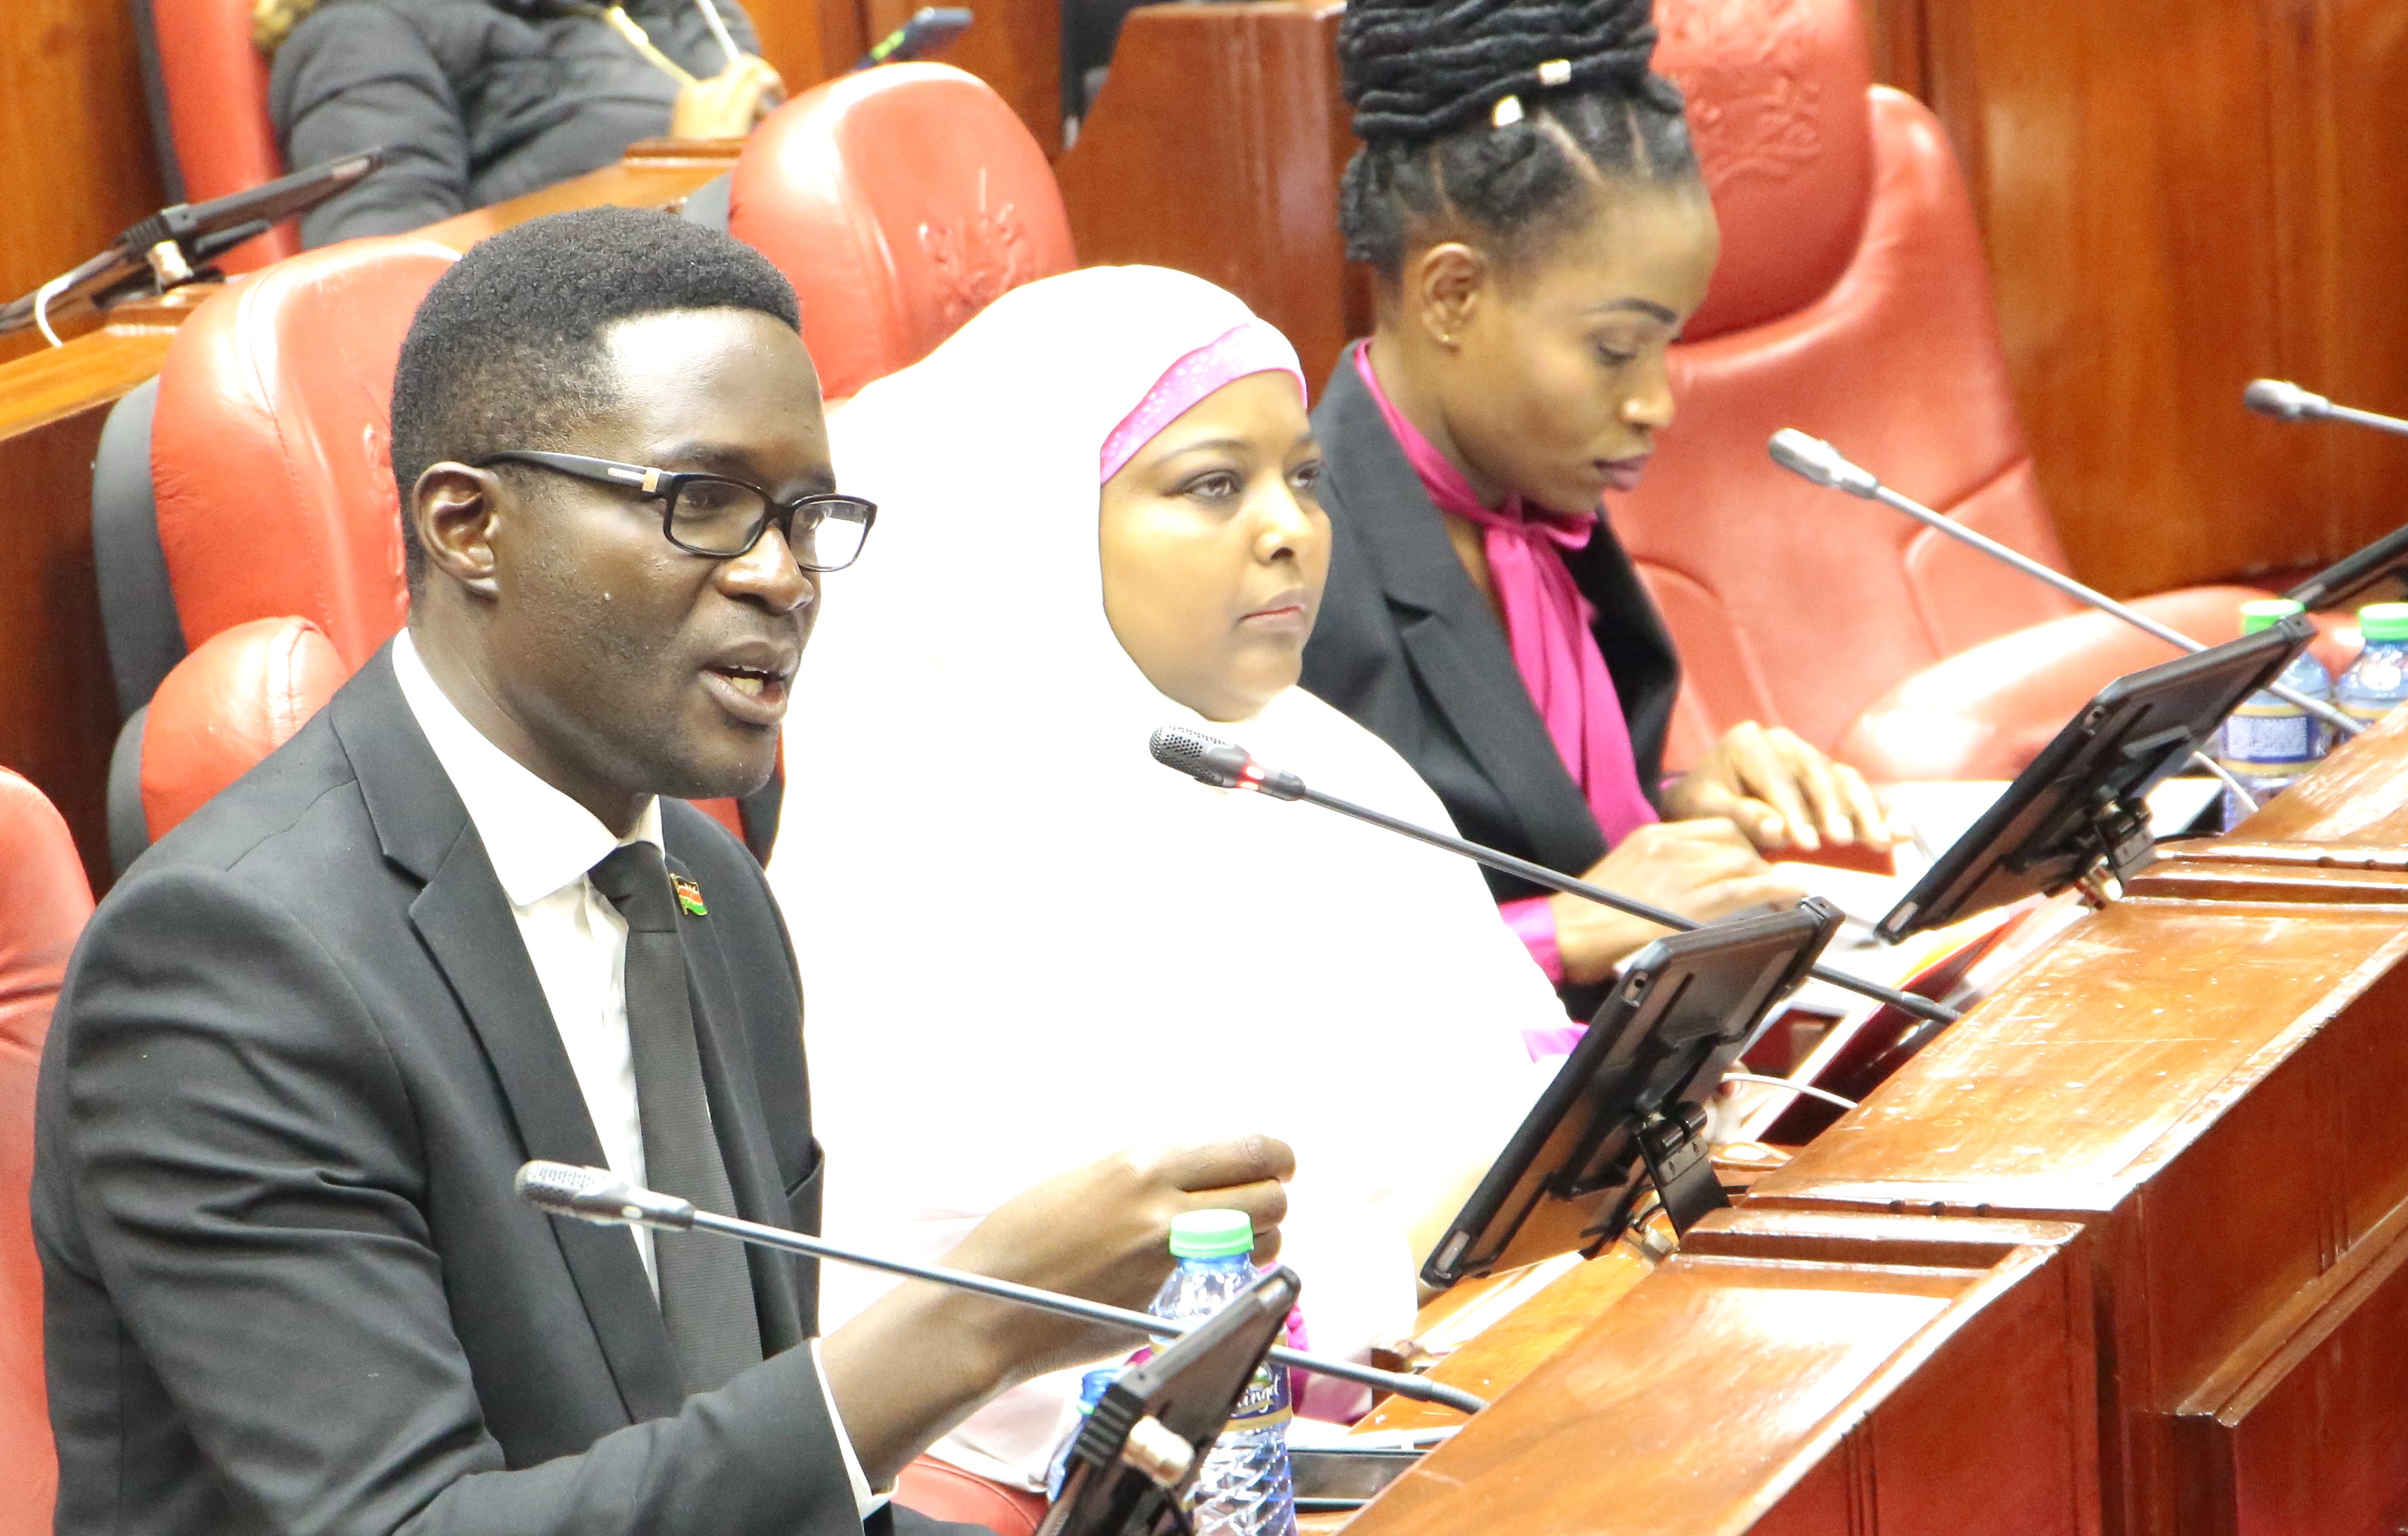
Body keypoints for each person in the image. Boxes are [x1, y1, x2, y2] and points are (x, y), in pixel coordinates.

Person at [32, 210, 1292, 1536]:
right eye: (703, 505)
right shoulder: (229, 963)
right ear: (468, 524)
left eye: (808, 516)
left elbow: (739, 1480)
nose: (781, 576)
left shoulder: (707, 888)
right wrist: (964, 1329)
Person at [769, 265, 1565, 1501]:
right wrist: (1442, 1220)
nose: (1289, 526)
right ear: (1031, 528)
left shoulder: (1313, 760)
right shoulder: (925, 845)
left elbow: (1524, 1085)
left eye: (1303, 476)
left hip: (1486, 1378)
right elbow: (1098, 1361)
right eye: (1210, 485)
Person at [1300, 0, 1901, 1006]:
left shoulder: (1531, 494)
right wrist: (1553, 932)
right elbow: (1270, 974)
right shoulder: (1292, 563)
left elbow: (1542, 828)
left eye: (1667, 347)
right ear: (1452, 295)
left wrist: (1686, 810)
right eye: (1616, 350)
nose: (1656, 403)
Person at [264, 0, 786, 247]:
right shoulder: (361, 35)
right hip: (619, 376)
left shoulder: (635, 13)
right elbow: (379, 288)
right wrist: (683, 176)